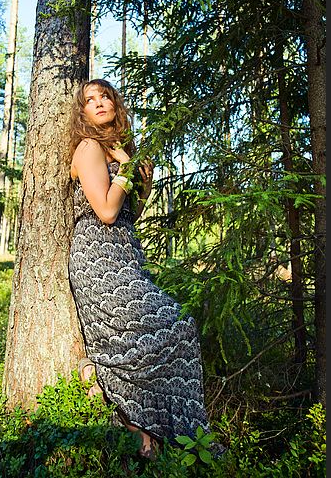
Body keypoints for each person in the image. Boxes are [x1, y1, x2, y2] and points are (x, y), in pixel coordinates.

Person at [68, 78, 212, 459]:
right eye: (89, 100)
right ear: (82, 113)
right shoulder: (89, 147)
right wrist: (129, 169)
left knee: (171, 329)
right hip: (98, 260)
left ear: (115, 105)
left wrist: (142, 187)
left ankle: (153, 428)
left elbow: (130, 215)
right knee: (168, 326)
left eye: (104, 97)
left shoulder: (117, 152)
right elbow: (106, 210)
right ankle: (127, 410)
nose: (98, 103)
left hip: (126, 254)